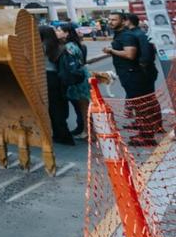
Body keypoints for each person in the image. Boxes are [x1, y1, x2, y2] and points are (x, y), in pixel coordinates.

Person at [103, 12, 162, 145]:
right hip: (131, 74)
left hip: (134, 75)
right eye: (109, 19)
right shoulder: (123, 34)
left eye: (114, 20)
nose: (110, 22)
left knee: (141, 105)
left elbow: (130, 55)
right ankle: (148, 130)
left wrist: (111, 51)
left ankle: (146, 137)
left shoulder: (127, 35)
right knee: (142, 104)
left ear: (124, 21)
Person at [41, 24, 74, 145]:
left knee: (53, 108)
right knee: (59, 106)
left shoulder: (41, 47)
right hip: (58, 78)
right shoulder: (59, 46)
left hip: (47, 78)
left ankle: (62, 135)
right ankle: (63, 134)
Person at [54, 22, 89, 139]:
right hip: (81, 76)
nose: (56, 32)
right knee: (83, 106)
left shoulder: (69, 47)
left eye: (59, 30)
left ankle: (87, 132)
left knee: (83, 107)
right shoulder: (76, 44)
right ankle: (87, 130)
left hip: (77, 79)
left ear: (66, 33)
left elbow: (71, 67)